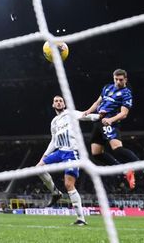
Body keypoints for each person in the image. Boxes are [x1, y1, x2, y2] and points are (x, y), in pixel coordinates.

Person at [85, 69, 144, 190]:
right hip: (98, 122)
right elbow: (97, 102)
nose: (118, 82)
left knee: (117, 148)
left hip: (109, 122)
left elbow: (124, 114)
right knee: (96, 153)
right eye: (116, 79)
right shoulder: (107, 87)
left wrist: (111, 120)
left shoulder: (126, 93)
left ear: (125, 79)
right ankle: (125, 171)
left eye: (121, 80)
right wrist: (87, 111)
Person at [37, 95, 98, 226]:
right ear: (53, 105)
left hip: (71, 153)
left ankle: (81, 218)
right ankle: (56, 193)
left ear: (64, 104)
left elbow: (86, 116)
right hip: (59, 152)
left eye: (60, 101)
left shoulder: (71, 113)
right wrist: (44, 155)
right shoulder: (54, 122)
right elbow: (54, 141)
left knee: (69, 185)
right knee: (38, 168)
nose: (58, 103)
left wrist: (101, 117)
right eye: (56, 101)